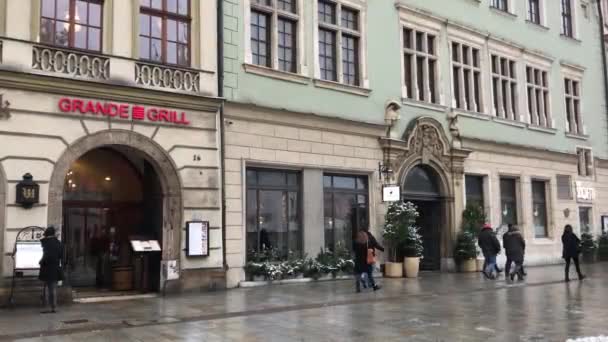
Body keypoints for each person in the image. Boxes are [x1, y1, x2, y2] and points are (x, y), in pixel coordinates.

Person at [39, 226, 63, 314]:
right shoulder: (59, 243)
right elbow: (61, 256)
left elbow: (46, 255)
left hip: (47, 268)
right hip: (56, 267)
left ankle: (52, 306)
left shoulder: (46, 243)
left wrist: (41, 261)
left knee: (49, 288)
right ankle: (52, 306)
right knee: (53, 287)